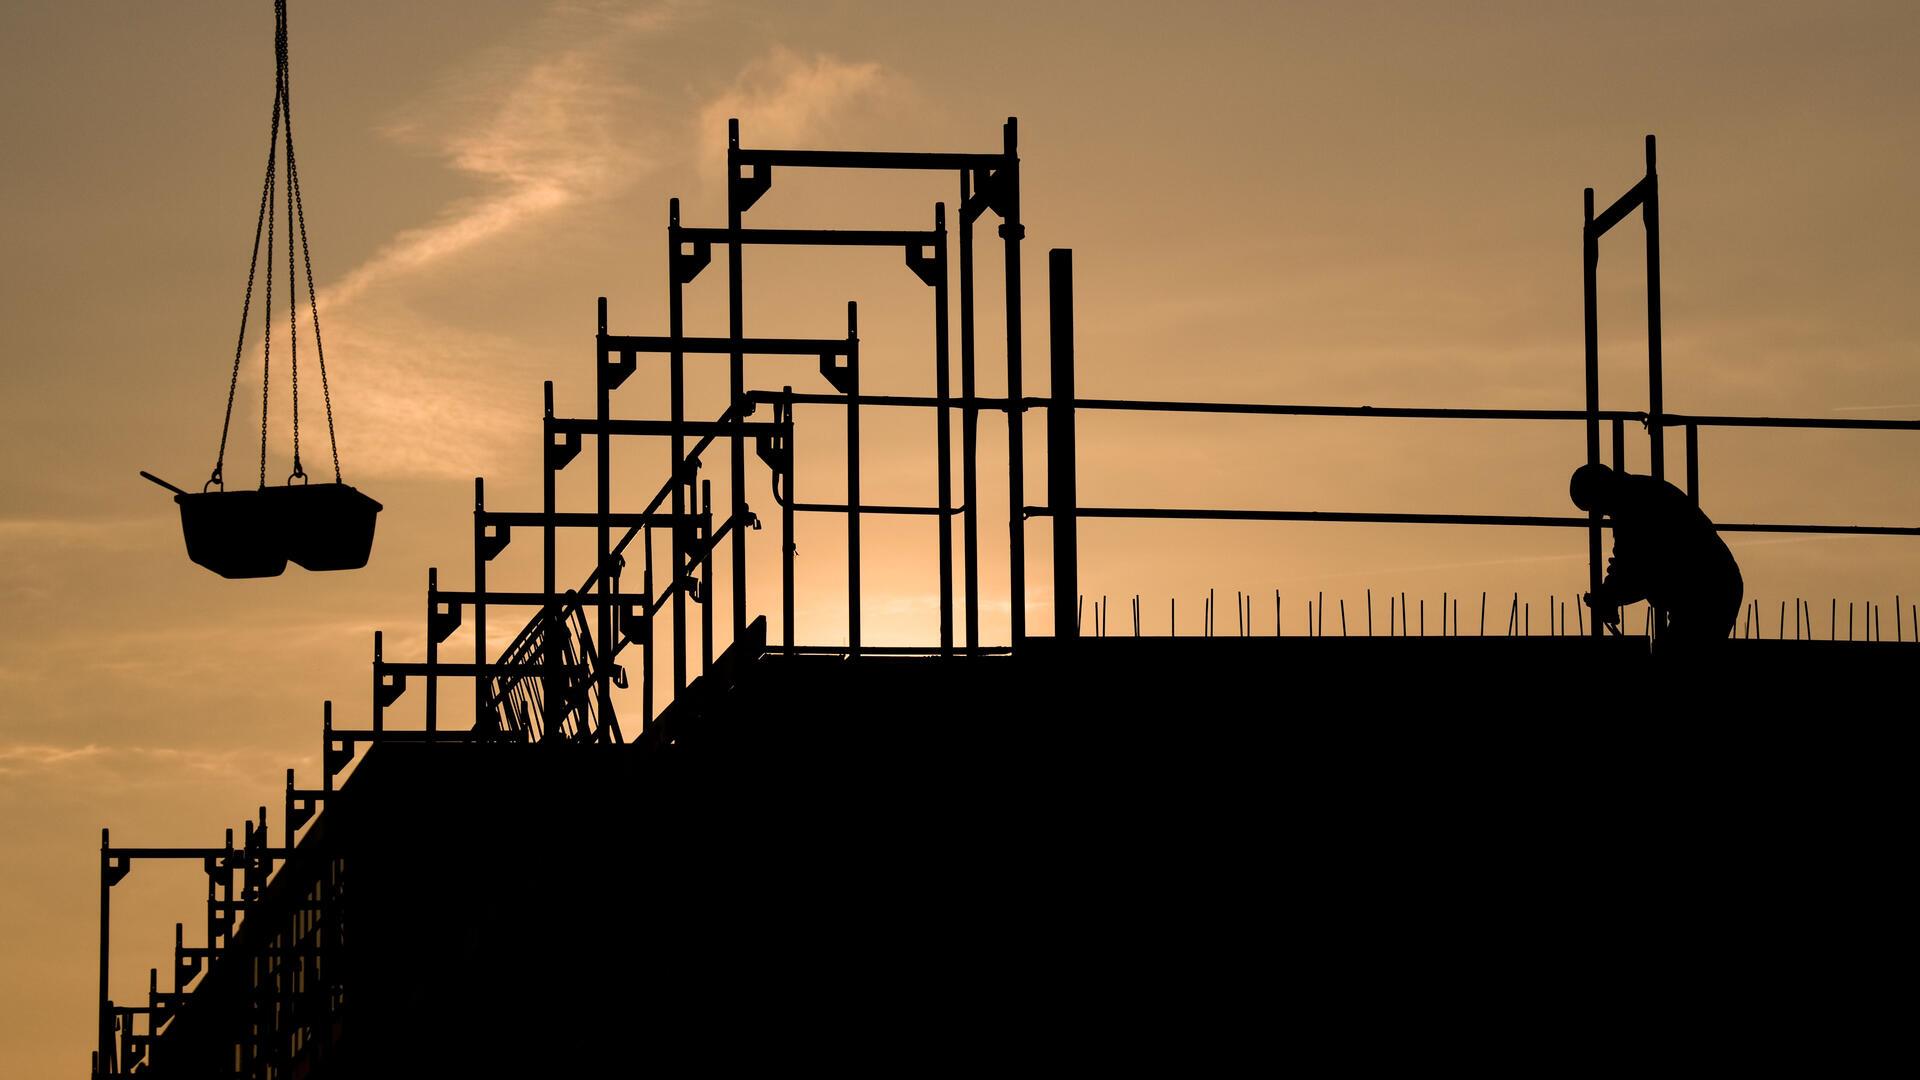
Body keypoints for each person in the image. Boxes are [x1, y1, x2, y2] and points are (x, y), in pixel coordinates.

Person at [1569, 463, 1743, 646]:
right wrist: (1610, 595)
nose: (1600, 514)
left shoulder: (1633, 505)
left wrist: (1608, 596)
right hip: (1712, 588)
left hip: (1708, 591)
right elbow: (1632, 564)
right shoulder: (1638, 494)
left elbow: (1639, 570)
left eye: (1593, 507)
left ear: (1599, 492)